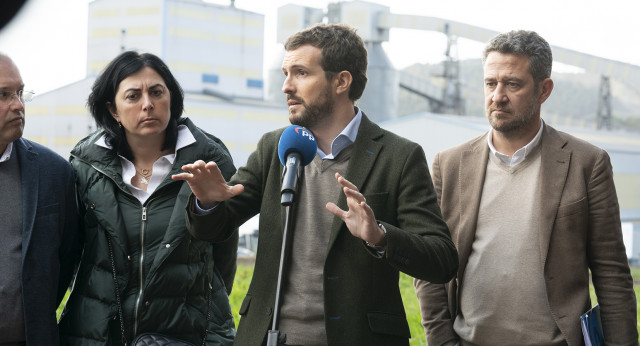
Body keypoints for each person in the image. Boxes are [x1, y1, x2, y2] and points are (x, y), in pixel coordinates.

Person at [173, 23, 458, 345]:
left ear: (341, 81)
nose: (286, 86)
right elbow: (212, 230)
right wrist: (208, 203)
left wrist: (379, 235)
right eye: (285, 73)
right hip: (265, 336)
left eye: (301, 73)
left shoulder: (399, 156)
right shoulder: (273, 147)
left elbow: (442, 260)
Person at [414, 30, 638, 345]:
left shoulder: (588, 163)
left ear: (544, 90)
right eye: (490, 83)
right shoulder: (449, 165)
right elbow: (430, 269)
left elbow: (612, 275)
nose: (497, 96)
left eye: (513, 84)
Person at [57, 51, 237, 345]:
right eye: (133, 96)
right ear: (113, 109)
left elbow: (223, 253)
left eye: (157, 92)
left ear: (172, 100)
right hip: (98, 334)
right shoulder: (84, 166)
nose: (148, 104)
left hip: (188, 334)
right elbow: (70, 254)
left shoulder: (209, 161)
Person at [0, 53, 79, 345]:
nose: (18, 105)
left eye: (20, 93)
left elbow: (67, 256)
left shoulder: (54, 171)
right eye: (3, 95)